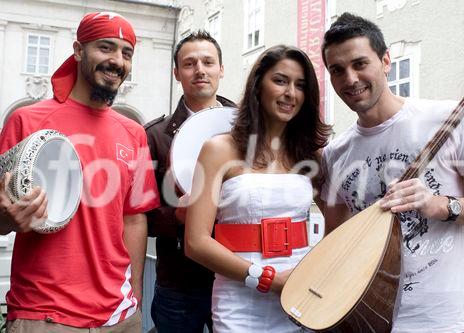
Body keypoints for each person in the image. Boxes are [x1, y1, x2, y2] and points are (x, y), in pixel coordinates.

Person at [320, 12, 464, 333]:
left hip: (443, 322)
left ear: (386, 60)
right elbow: (337, 239)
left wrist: (440, 205)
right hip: (366, 320)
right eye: (337, 70)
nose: (350, 78)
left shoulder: (447, 119)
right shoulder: (335, 154)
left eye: (360, 63)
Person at [0, 12, 159, 333]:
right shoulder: (26, 121)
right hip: (45, 315)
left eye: (126, 53)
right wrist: (10, 218)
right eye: (106, 48)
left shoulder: (134, 133)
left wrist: (136, 294)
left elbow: (134, 218)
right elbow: (1, 216)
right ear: (78, 50)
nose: (117, 60)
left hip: (120, 317)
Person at [184, 45, 331, 332]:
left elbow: (339, 228)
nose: (291, 93)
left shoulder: (311, 155)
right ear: (257, 85)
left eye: (300, 85)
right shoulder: (218, 150)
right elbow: (195, 242)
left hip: (300, 297)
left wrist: (313, 274)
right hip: (240, 303)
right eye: (280, 81)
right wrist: (267, 279)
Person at [144, 30, 236, 333]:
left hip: (240, 274)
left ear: (221, 69)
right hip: (180, 282)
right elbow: (142, 216)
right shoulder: (154, 136)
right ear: (176, 73)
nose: (200, 70)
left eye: (208, 62)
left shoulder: (249, 129)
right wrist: (178, 216)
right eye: (190, 63)